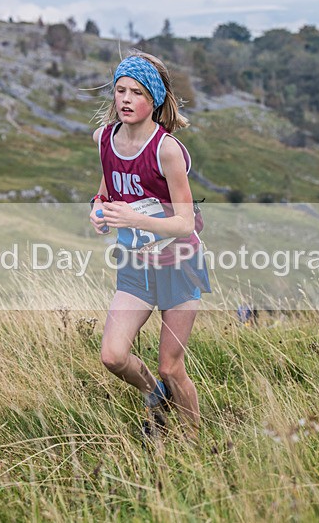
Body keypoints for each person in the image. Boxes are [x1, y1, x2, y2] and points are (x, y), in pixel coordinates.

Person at [89, 51, 211, 441]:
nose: (125, 99)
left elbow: (185, 221)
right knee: (113, 356)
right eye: (120, 90)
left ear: (154, 100)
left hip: (179, 264)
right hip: (135, 266)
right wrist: (98, 212)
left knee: (171, 367)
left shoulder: (167, 150)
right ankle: (154, 398)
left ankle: (193, 445)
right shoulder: (103, 139)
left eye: (136, 93)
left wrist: (134, 219)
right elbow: (105, 194)